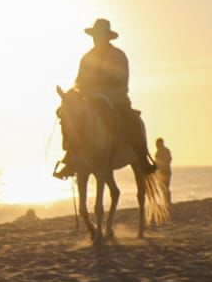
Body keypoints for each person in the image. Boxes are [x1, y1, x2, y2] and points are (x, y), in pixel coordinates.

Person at [58, 18, 154, 177]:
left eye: (99, 35)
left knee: (132, 122)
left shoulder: (118, 56)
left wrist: (101, 84)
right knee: (70, 118)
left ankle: (142, 157)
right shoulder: (86, 57)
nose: (96, 39)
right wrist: (73, 94)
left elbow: (121, 79)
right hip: (89, 99)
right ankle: (71, 155)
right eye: (95, 36)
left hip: (116, 98)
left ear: (106, 36)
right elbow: (79, 80)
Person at [154, 137, 173, 203]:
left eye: (157, 144)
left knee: (165, 187)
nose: (156, 146)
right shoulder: (158, 152)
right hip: (161, 172)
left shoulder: (165, 151)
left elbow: (169, 159)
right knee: (163, 187)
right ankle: (166, 201)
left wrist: (163, 164)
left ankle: (167, 201)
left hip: (165, 171)